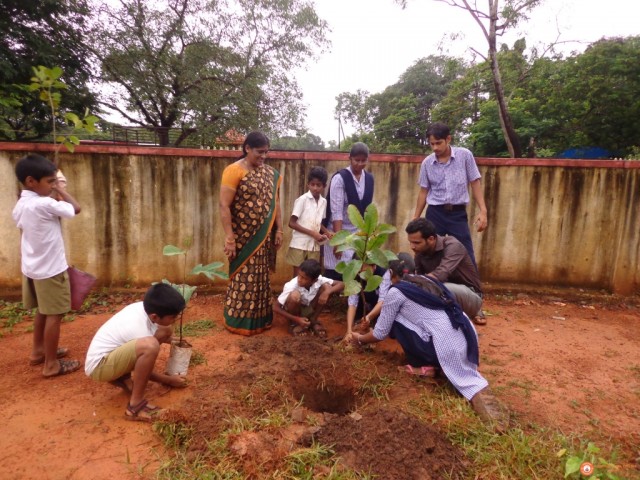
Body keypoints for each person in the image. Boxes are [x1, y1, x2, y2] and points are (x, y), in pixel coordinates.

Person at [348, 261, 507, 429]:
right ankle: (436, 365)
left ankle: (423, 364)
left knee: (392, 320)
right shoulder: (425, 280)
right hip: (465, 339)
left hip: (445, 347)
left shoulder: (396, 292)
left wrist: (359, 338)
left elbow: (380, 333)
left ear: (391, 274)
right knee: (407, 317)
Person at [12, 153, 83, 377]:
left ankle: (38, 352)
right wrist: (61, 188)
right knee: (55, 314)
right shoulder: (44, 204)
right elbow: (76, 208)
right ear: (32, 181)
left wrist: (52, 186)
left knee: (43, 310)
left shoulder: (22, 204)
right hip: (51, 269)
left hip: (33, 267)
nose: (52, 185)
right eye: (49, 181)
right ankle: (51, 364)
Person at [84, 283, 187, 422]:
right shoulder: (138, 329)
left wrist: (174, 341)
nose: (175, 319)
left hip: (112, 356)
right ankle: (135, 406)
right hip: (99, 367)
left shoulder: (143, 308)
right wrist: (168, 380)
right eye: (173, 317)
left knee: (165, 330)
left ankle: (122, 378)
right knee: (150, 346)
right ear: (155, 316)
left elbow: (162, 332)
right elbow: (142, 368)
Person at [219, 131, 284, 336]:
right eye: (259, 152)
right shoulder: (233, 171)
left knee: (261, 278)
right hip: (243, 240)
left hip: (263, 239)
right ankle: (238, 320)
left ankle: (260, 320)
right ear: (247, 148)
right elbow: (224, 206)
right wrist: (230, 238)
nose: (263, 157)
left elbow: (276, 204)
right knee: (242, 280)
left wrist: (279, 229)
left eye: (266, 152)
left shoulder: (271, 174)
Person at [413, 122, 488, 266]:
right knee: (430, 253)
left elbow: (475, 182)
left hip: (457, 214)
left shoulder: (465, 156)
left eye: (438, 143)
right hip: (435, 213)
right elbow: (423, 191)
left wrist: (483, 211)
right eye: (432, 144)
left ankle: (473, 287)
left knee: (465, 254)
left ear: (448, 139)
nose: (435, 147)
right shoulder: (427, 163)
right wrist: (415, 218)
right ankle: (428, 286)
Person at [405, 218, 486, 326]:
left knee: (439, 287)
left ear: (431, 239)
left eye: (416, 242)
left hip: (471, 296)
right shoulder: (420, 251)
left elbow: (440, 274)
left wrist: (408, 283)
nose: (412, 247)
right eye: (410, 242)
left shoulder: (453, 246)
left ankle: (473, 311)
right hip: (442, 291)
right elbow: (419, 277)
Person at [322, 142, 374, 280]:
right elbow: (336, 210)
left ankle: (351, 300)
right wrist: (338, 241)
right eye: (357, 160)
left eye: (364, 161)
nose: (360, 164)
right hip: (337, 230)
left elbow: (367, 209)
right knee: (335, 271)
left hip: (357, 232)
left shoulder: (369, 179)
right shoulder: (340, 178)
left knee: (354, 270)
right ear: (349, 158)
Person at [274, 259, 344, 337]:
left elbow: (341, 284)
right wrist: (296, 319)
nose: (299, 279)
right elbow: (275, 307)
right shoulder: (291, 285)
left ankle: (313, 320)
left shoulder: (319, 280)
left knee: (326, 287)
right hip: (296, 311)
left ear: (314, 280)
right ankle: (294, 324)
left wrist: (327, 292)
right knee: (294, 296)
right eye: (299, 275)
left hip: (310, 307)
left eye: (304, 278)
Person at [285, 166, 333, 277]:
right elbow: (291, 223)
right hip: (299, 244)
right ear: (308, 184)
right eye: (312, 184)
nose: (315, 188)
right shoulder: (302, 200)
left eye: (318, 185)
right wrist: (313, 233)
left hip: (314, 245)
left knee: (311, 276)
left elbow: (318, 222)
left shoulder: (323, 202)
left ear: (324, 186)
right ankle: (295, 294)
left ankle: (308, 295)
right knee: (298, 277)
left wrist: (326, 232)